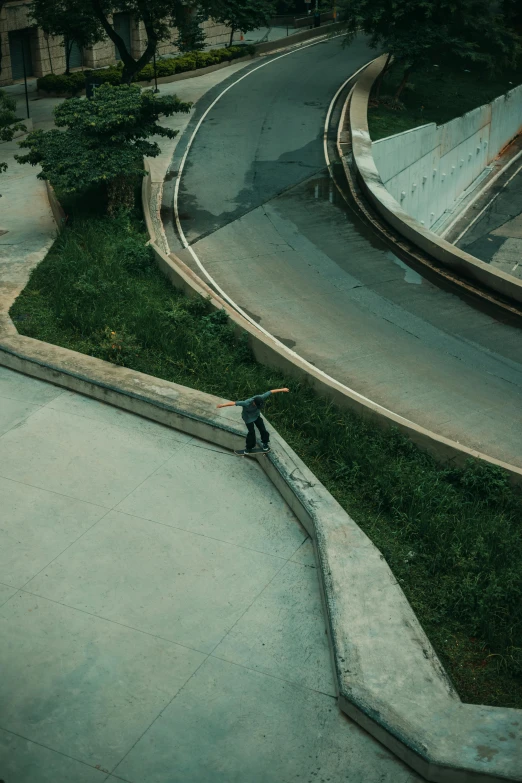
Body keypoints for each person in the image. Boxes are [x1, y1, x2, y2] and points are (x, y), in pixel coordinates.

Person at [217, 388, 289, 452]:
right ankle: (249, 448)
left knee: (263, 429)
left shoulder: (261, 397)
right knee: (251, 432)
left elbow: (270, 391)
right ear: (254, 402)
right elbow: (234, 403)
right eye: (257, 405)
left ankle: (265, 443)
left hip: (256, 416)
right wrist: (222, 405)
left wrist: (283, 389)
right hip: (248, 418)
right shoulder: (246, 403)